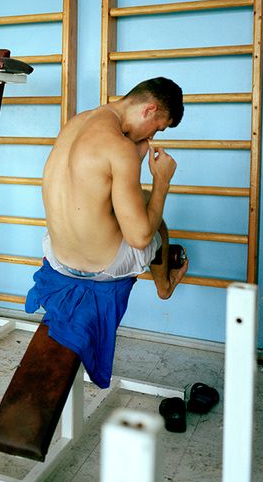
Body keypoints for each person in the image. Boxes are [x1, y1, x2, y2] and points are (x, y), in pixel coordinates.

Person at [25, 77, 189, 388]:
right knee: (156, 224)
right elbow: (139, 237)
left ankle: (158, 275)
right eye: (158, 127)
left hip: (57, 259)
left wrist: (133, 161)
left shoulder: (76, 122)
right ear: (149, 110)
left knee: (133, 203)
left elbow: (88, 189)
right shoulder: (120, 148)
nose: (153, 136)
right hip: (102, 270)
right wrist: (161, 182)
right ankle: (164, 284)